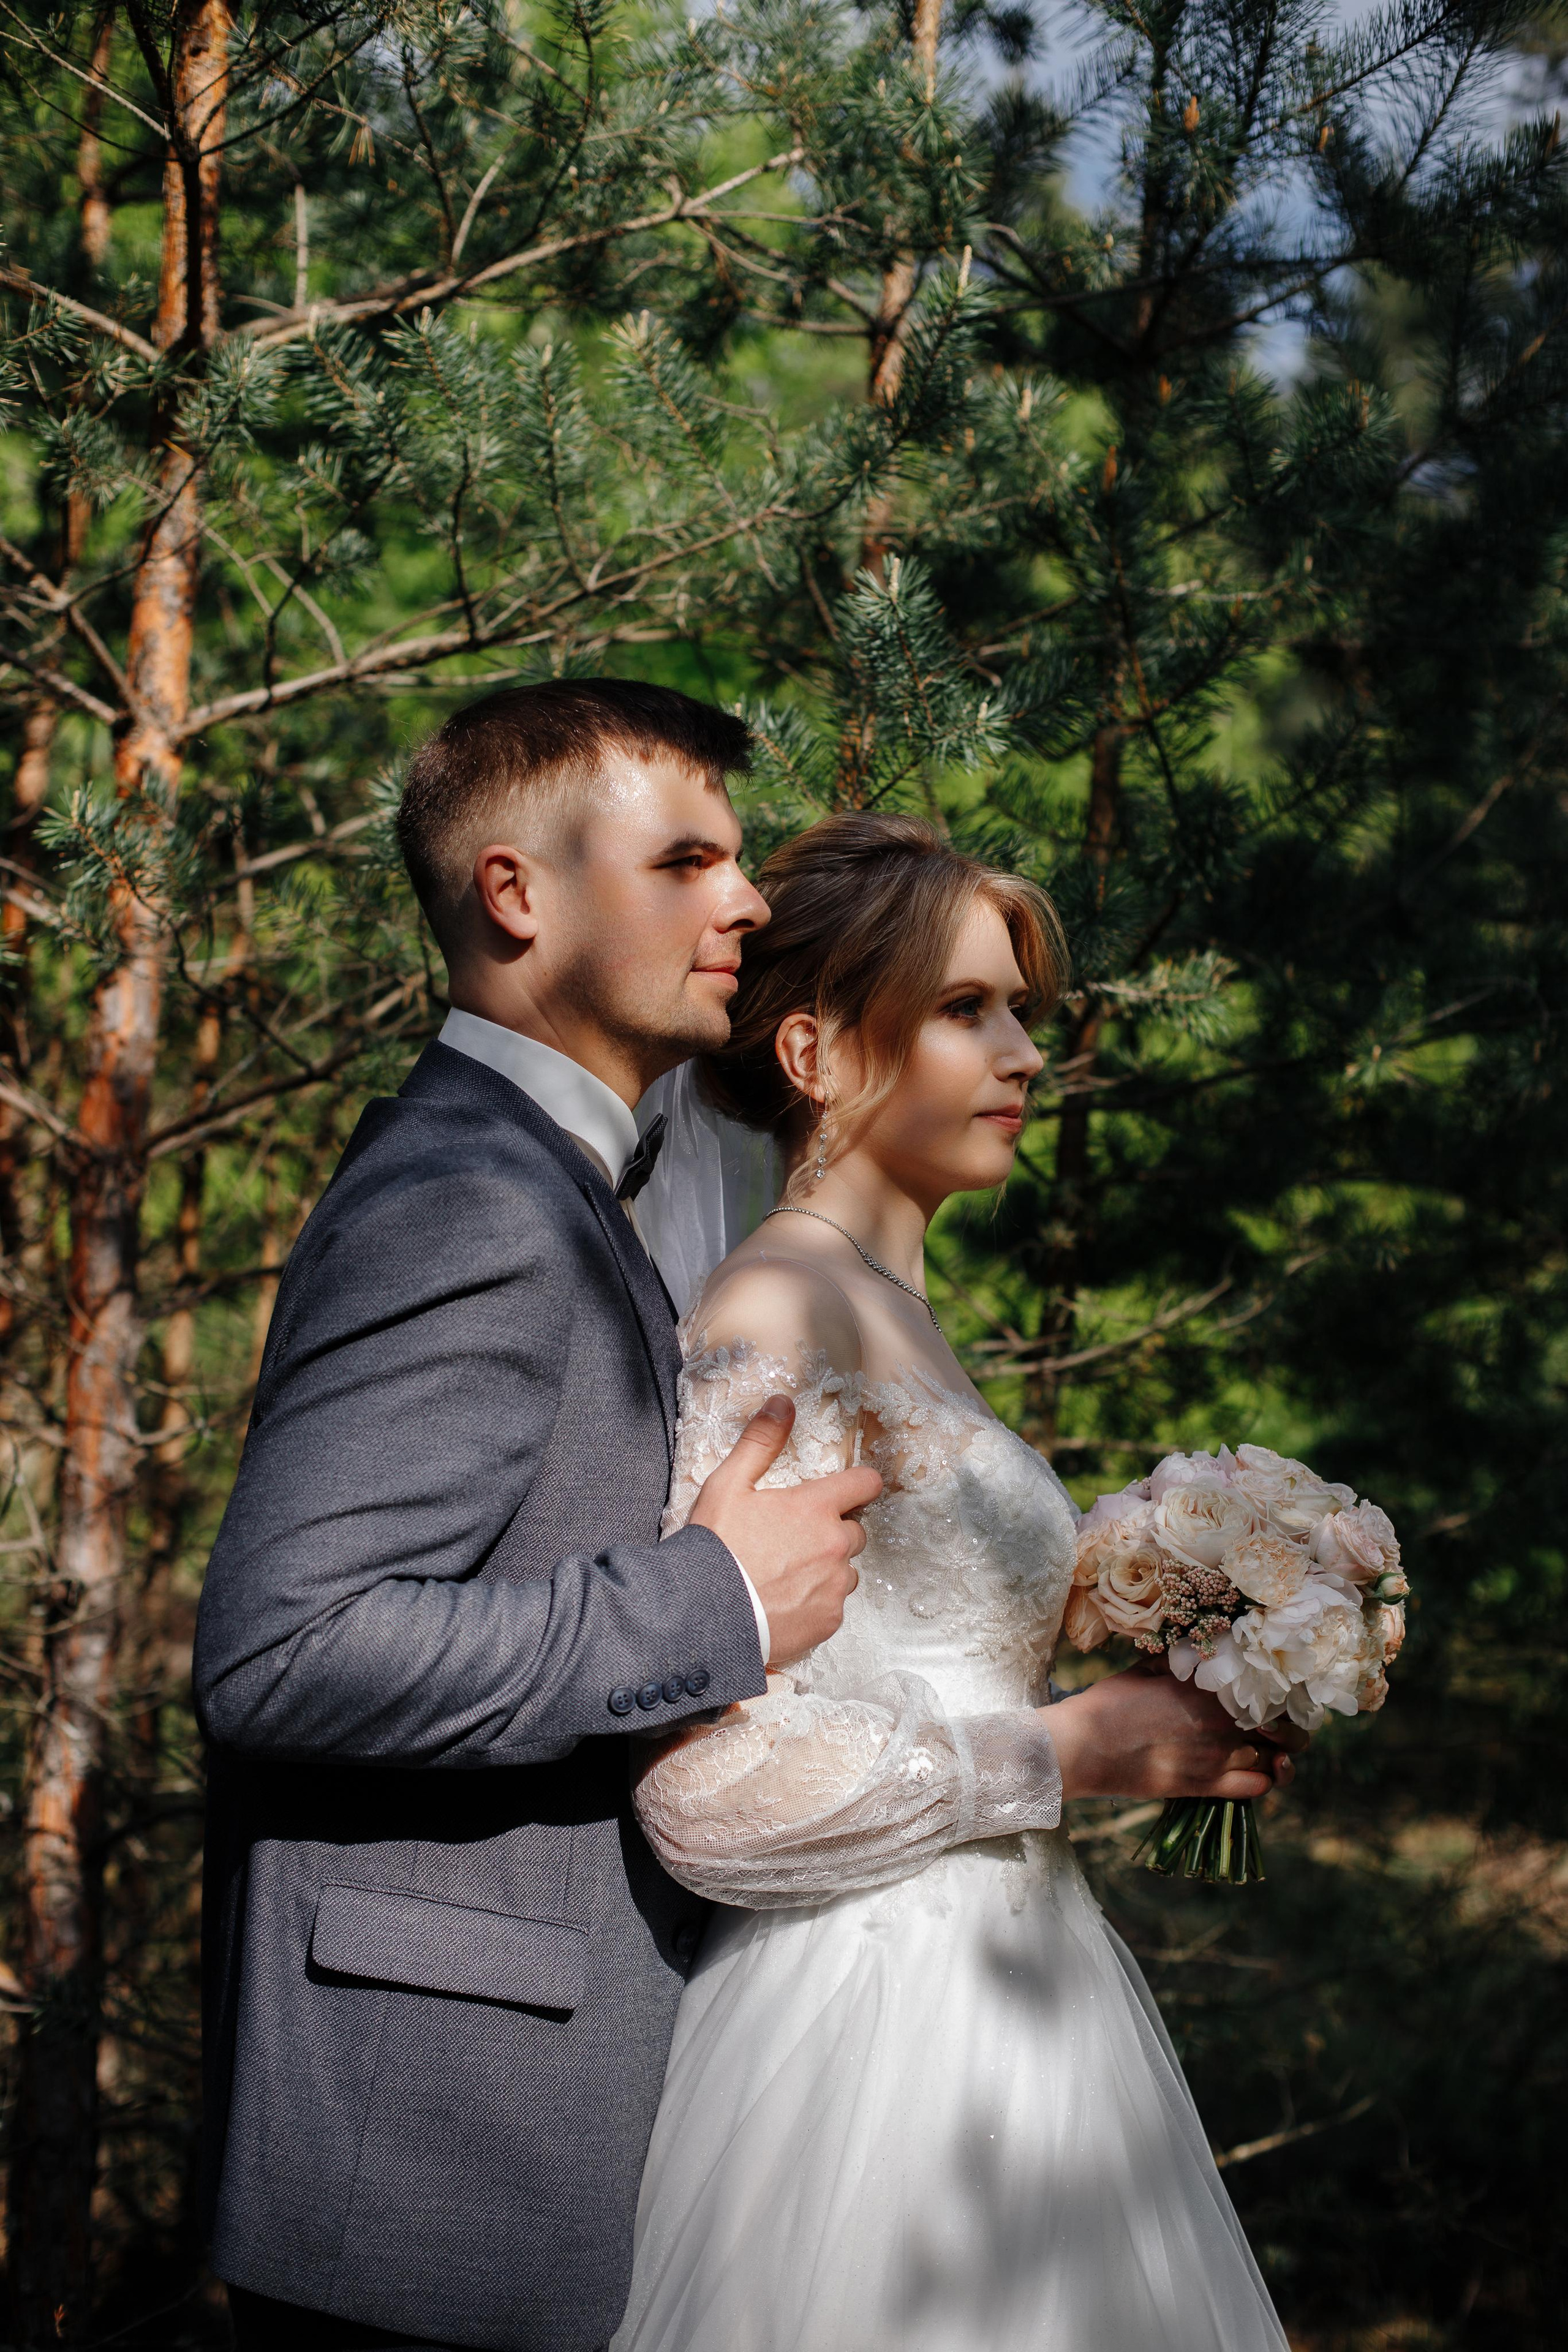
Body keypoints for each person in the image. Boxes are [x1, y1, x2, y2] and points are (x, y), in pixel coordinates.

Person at [192, 682, 881, 2352]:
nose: (749, 903)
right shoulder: (470, 1200)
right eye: (689, 861)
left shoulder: (547, 1175)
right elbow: (284, 1651)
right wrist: (707, 1601)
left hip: (513, 2112)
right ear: (519, 894)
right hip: (431, 2146)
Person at [612, 812, 1301, 2352]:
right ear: (812, 1050)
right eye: (964, 1009)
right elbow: (707, 1788)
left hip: (1025, 1988)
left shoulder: (888, 1312)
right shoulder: (780, 1302)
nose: (1024, 1056)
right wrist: (1065, 1751)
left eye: (1023, 1015)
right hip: (872, 2036)